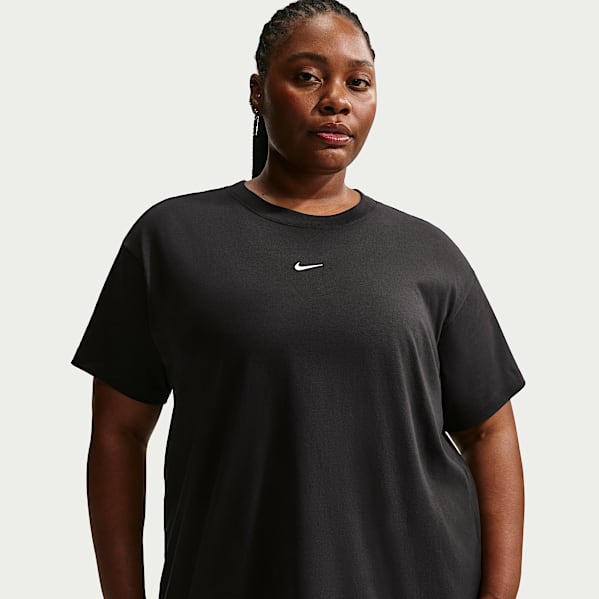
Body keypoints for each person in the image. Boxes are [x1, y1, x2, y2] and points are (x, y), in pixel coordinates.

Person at [72, 1, 526, 598]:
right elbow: (118, 433)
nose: (336, 99)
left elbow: (490, 433)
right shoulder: (171, 239)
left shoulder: (428, 253)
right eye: (308, 76)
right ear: (258, 92)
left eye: (358, 82)